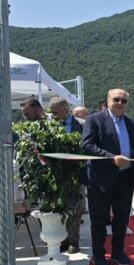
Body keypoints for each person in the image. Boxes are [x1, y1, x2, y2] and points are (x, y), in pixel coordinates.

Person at [81, 88, 134, 265]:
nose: (120, 103)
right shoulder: (94, 120)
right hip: (101, 178)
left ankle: (118, 252)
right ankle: (99, 255)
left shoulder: (131, 123)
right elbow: (87, 145)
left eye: (124, 101)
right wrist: (111, 158)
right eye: (116, 100)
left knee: (122, 218)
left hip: (125, 178)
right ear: (108, 101)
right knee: (99, 219)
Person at [48, 97, 86, 254]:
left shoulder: (82, 126)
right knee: (58, 207)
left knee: (75, 207)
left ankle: (73, 241)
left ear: (65, 110)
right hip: (55, 173)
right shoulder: (49, 126)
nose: (53, 116)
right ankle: (60, 240)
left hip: (76, 173)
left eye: (55, 112)